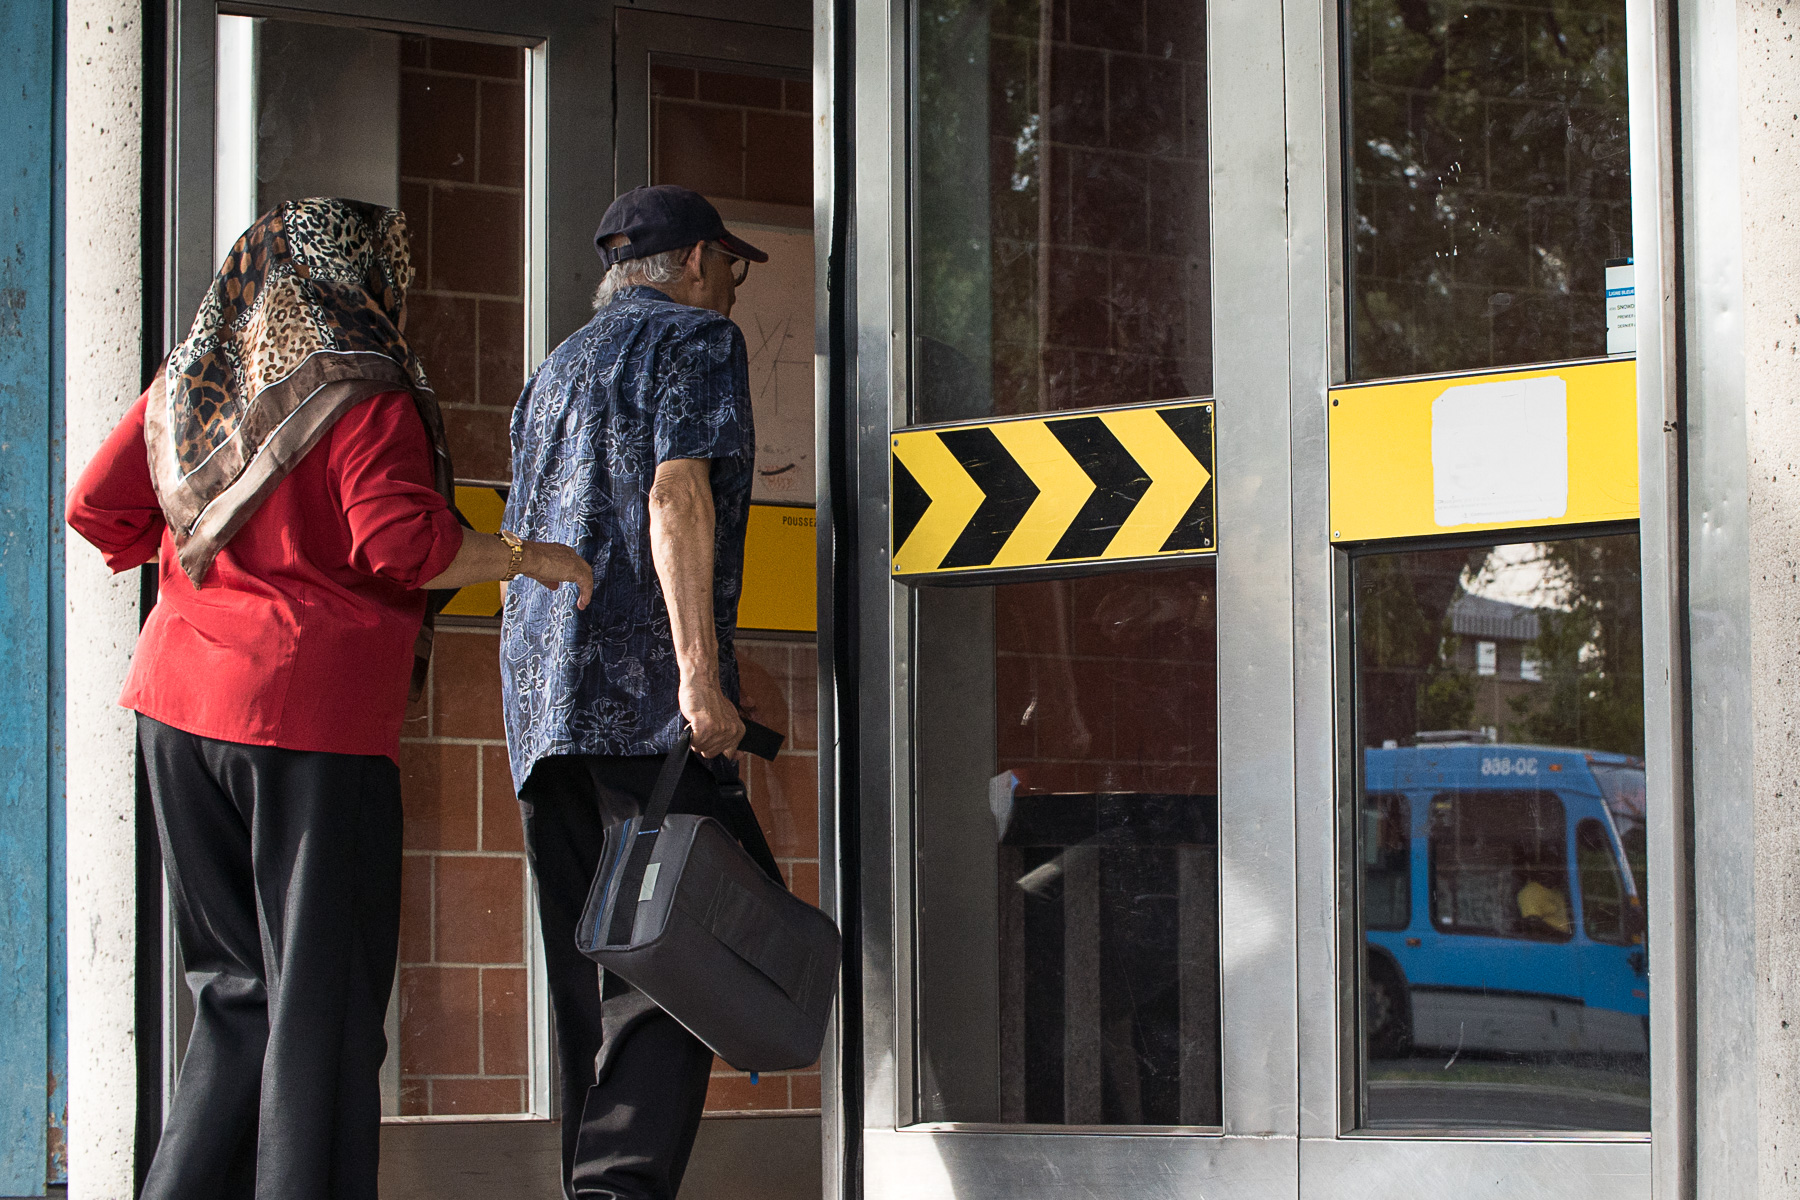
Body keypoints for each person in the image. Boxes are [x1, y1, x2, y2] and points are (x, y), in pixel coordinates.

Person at [65, 197, 593, 1200]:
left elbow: (99, 507)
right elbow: (403, 544)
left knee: (235, 998)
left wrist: (204, 571)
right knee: (324, 1009)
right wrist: (531, 556)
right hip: (308, 723)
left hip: (177, 707)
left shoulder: (199, 375)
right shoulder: (363, 384)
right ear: (367, 276)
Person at [500, 184, 773, 1200]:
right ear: (697, 259)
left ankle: (592, 1185)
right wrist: (699, 675)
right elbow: (674, 492)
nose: (733, 286)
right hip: (646, 713)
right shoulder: (696, 341)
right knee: (670, 965)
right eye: (731, 265)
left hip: (544, 716)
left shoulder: (553, 370)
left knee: (588, 976)